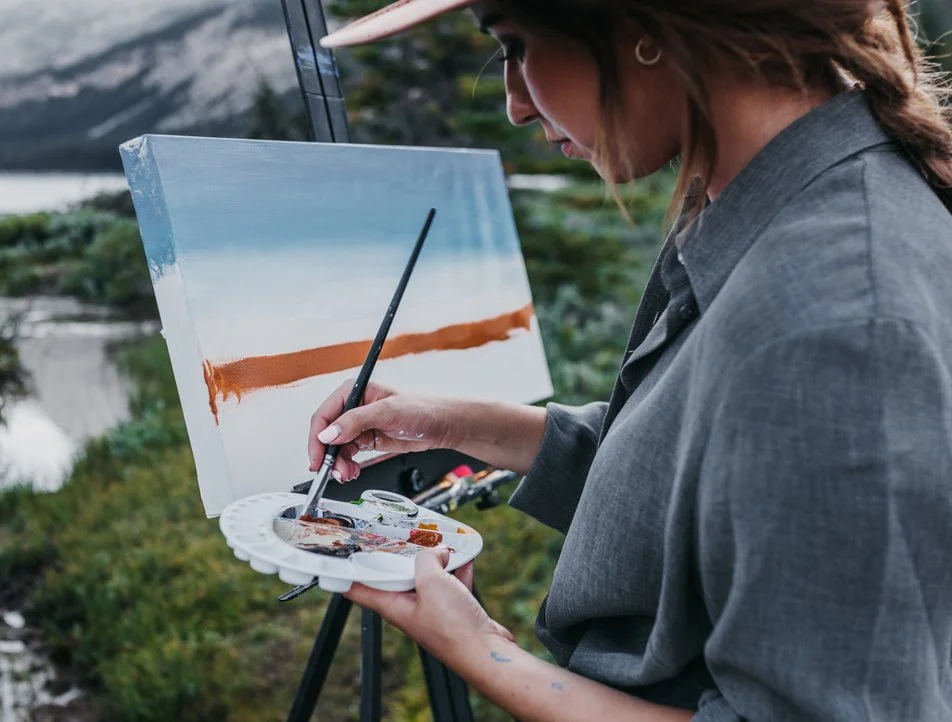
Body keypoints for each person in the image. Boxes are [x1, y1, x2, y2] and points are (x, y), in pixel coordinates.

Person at [308, 1, 952, 720]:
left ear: (643, 27)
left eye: (515, 45)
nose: (517, 104)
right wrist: (454, 424)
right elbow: (704, 486)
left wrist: (481, 650)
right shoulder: (775, 206)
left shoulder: (836, 318)